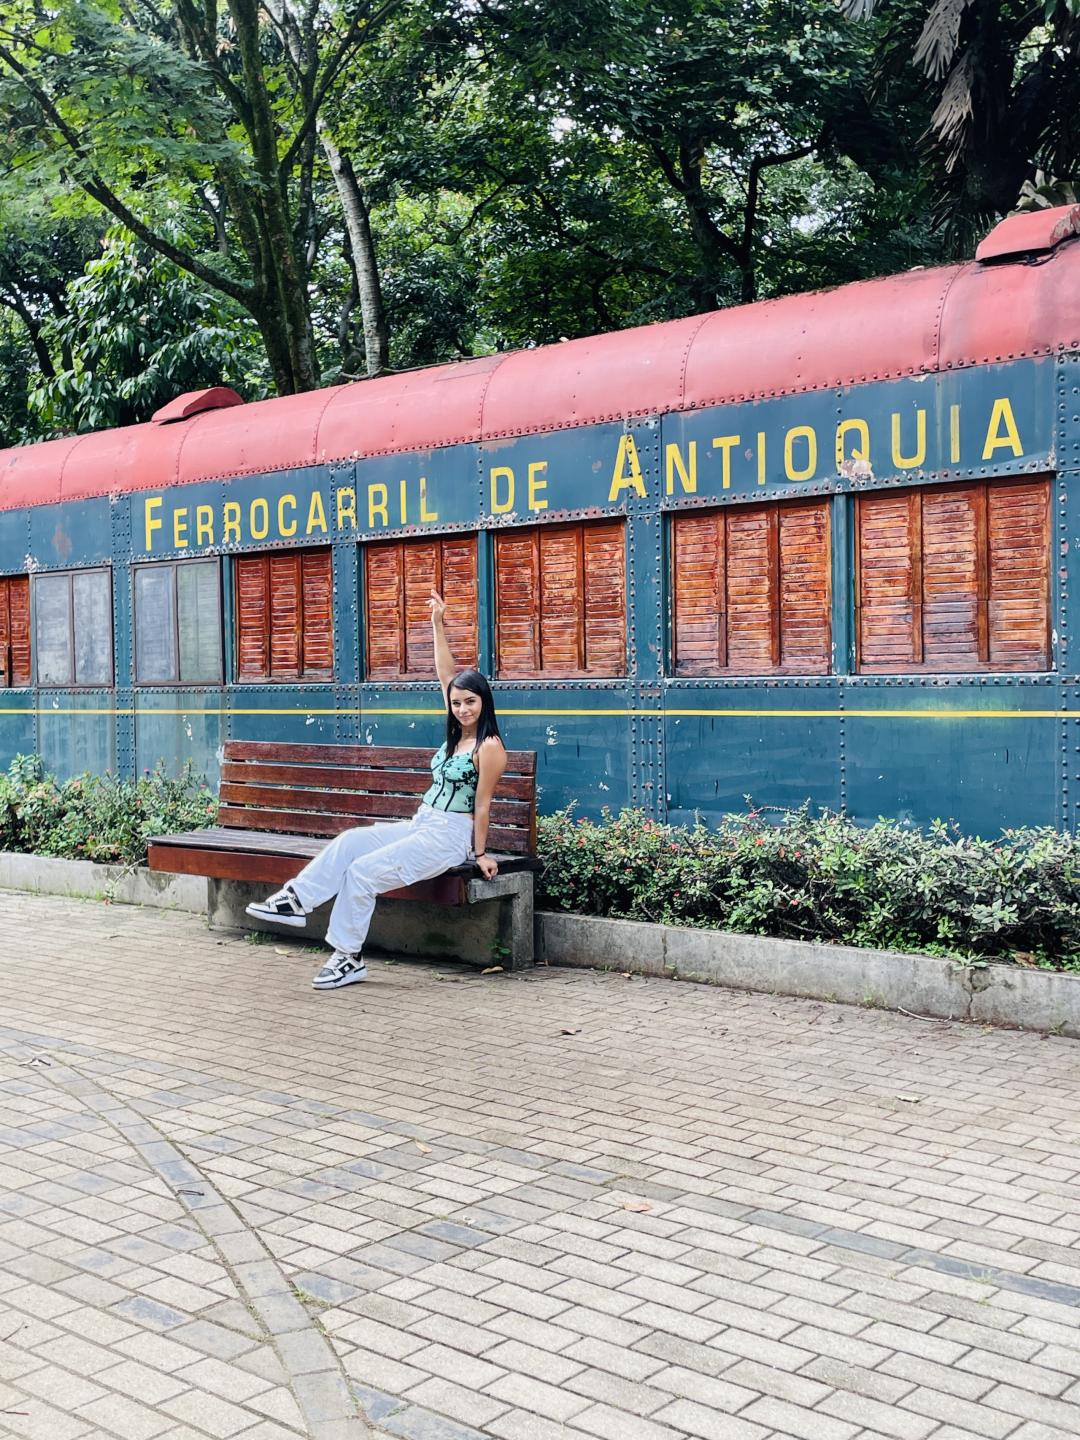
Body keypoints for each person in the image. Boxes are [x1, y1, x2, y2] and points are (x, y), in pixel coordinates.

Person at [246, 590, 507, 990]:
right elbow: (445, 673)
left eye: (470, 702)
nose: (462, 709)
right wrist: (437, 624)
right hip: (423, 824)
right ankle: (295, 900)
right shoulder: (457, 732)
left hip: (449, 837)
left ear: (484, 702)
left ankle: (348, 958)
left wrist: (481, 854)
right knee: (351, 841)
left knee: (363, 872)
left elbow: (483, 806)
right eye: (456, 703)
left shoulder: (489, 747)